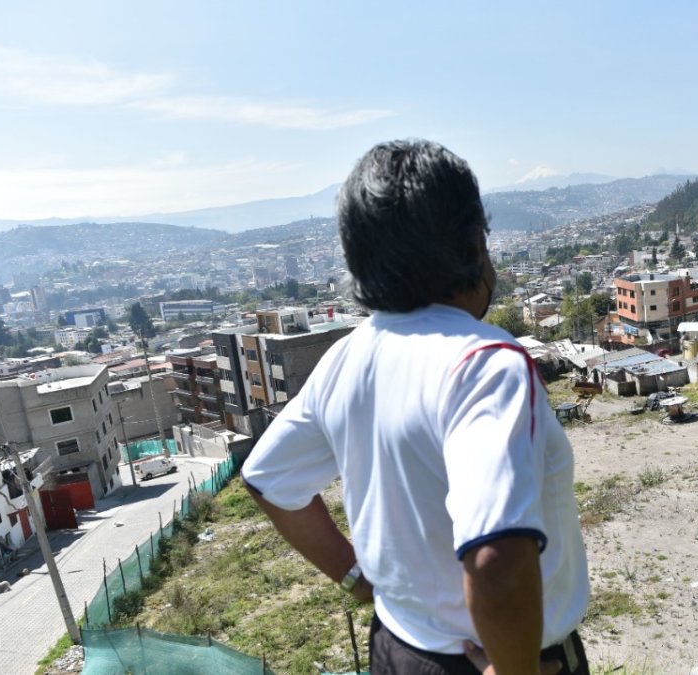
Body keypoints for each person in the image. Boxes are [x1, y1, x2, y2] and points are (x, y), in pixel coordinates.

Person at [241, 140, 590, 675]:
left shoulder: (348, 357)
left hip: (396, 648)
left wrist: (357, 579)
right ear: (473, 244)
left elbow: (268, 480)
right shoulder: (487, 363)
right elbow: (496, 561)